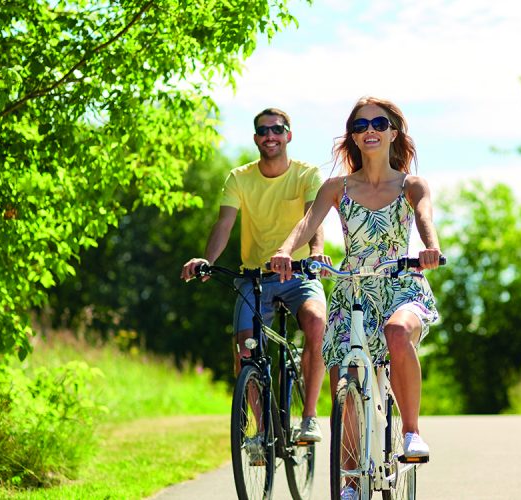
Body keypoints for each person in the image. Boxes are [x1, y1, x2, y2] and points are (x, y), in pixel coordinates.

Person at [269, 97, 441, 469]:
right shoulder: (337, 187)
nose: (370, 131)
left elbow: (424, 217)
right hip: (353, 288)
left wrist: (431, 247)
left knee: (398, 333)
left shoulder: (411, 184)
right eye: (360, 126)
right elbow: (307, 224)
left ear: (393, 132)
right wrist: (284, 249)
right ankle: (348, 480)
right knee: (344, 382)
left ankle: (411, 432)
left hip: (400, 281)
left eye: (379, 124)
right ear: (354, 137)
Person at [180, 108, 328, 443]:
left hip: (299, 274)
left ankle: (309, 418)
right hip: (255, 278)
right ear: (256, 138)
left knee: (317, 324)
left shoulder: (307, 174)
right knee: (246, 350)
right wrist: (208, 258)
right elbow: (224, 224)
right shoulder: (240, 178)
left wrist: (315, 253)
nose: (270, 136)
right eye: (263, 131)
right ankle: (261, 433)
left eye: (277, 129)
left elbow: (312, 221)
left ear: (288, 134)